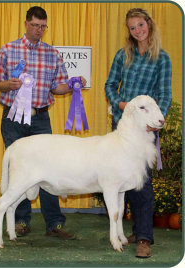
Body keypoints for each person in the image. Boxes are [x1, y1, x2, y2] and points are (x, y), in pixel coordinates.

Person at [0, 6, 86, 239]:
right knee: (20, 171)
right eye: (34, 25)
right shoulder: (7, 49)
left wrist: (75, 84)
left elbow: (58, 87)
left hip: (41, 117)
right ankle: (21, 221)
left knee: (50, 169)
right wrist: (9, 84)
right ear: (26, 24)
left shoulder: (52, 53)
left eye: (43, 26)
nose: (39, 30)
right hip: (13, 117)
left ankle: (54, 224)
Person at [105, 8, 172, 258]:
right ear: (129, 31)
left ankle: (144, 237)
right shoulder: (123, 55)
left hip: (145, 130)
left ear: (149, 25)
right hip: (122, 126)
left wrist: (157, 120)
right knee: (123, 180)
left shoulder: (162, 59)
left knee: (142, 182)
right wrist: (120, 104)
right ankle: (132, 230)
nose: (137, 31)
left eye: (140, 25)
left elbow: (165, 94)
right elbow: (110, 84)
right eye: (132, 28)